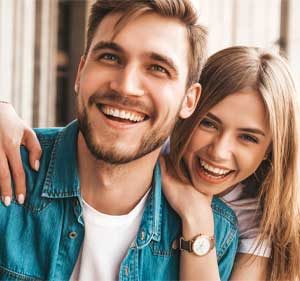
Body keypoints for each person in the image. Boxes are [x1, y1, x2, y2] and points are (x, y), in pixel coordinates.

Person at [0, 1, 239, 281]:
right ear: (80, 72)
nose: (125, 85)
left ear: (189, 101)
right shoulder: (9, 172)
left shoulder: (211, 235)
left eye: (158, 68)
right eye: (110, 57)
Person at [161, 46, 300, 280]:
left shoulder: (257, 220)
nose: (219, 152)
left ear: (271, 150)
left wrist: (197, 217)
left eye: (247, 137)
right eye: (208, 123)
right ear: (188, 108)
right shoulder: (147, 156)